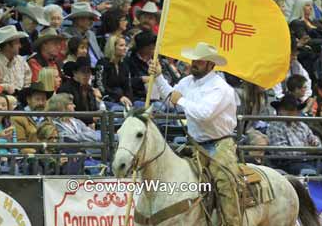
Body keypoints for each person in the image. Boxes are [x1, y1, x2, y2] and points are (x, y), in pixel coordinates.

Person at [149, 42, 241, 226]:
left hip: (220, 145)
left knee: (226, 183)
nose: (194, 63)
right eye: (194, 60)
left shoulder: (221, 88)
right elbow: (170, 98)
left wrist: (180, 100)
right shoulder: (187, 82)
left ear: (210, 64)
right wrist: (158, 76)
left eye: (199, 60)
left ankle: (233, 223)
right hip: (196, 143)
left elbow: (204, 115)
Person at [267, 93, 322, 175]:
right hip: (288, 163)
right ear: (280, 110)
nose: (292, 112)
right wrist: (307, 149)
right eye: (288, 109)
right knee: (309, 172)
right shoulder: (275, 126)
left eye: (294, 109)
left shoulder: (302, 125)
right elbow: (282, 152)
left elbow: (316, 142)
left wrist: (314, 145)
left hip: (309, 160)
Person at [11, 81, 53, 154]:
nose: (41, 103)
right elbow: (21, 145)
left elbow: (53, 139)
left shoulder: (48, 118)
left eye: (43, 99)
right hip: (29, 158)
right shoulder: (18, 118)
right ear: (28, 100)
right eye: (37, 99)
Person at [0, 25, 32, 95]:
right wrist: (5, 87)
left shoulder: (21, 61)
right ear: (7, 46)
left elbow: (27, 84)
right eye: (17, 43)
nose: (20, 46)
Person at [59, 56, 100, 125]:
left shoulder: (89, 89)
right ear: (75, 72)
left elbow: (94, 109)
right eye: (83, 71)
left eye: (88, 72)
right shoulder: (66, 89)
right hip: (73, 127)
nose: (86, 75)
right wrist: (91, 119)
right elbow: (68, 114)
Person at [96, 35, 133, 109]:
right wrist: (119, 97)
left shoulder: (124, 65)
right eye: (121, 45)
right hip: (107, 99)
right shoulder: (102, 63)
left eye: (125, 45)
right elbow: (101, 86)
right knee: (118, 109)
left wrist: (128, 98)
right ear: (113, 47)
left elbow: (128, 86)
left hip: (122, 100)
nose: (125, 48)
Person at [64, 2, 103, 66]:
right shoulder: (67, 36)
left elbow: (100, 55)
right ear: (79, 20)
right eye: (89, 19)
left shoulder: (91, 34)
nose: (92, 22)